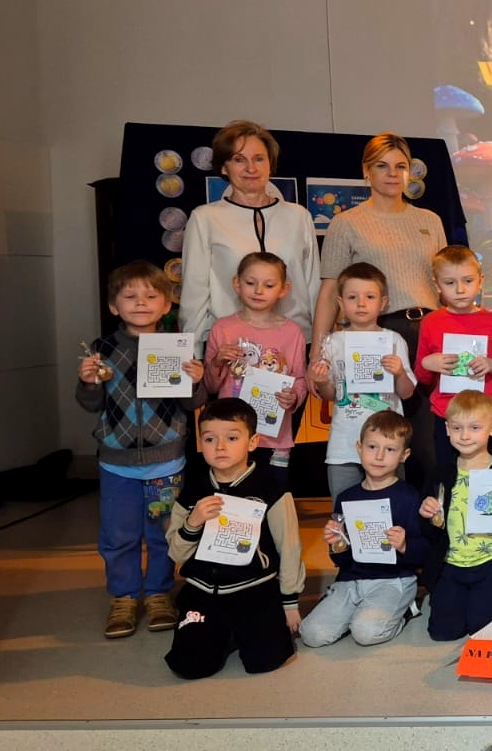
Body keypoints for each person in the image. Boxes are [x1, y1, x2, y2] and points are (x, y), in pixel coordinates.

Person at [77, 261, 206, 638]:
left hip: (166, 463)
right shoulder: (102, 349)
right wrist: (87, 382)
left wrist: (197, 381)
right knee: (118, 535)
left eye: (151, 296)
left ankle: (159, 593)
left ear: (166, 305)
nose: (140, 303)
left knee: (163, 533)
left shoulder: (177, 347)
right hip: (116, 465)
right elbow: (90, 404)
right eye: (129, 296)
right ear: (113, 306)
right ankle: (124, 596)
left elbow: (192, 404)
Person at [314, 133, 449, 490]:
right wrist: (317, 350)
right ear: (366, 171)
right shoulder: (347, 223)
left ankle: (424, 519)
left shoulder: (430, 220)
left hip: (430, 334)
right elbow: (329, 291)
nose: (392, 174)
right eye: (382, 166)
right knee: (383, 438)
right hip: (377, 337)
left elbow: (445, 283)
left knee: (427, 443)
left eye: (400, 166)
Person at [164, 398, 304, 678]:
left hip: (255, 590)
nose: (220, 447)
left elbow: (289, 546)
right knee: (188, 666)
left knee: (266, 661)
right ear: (200, 443)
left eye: (231, 438)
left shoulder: (272, 489)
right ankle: (220, 633)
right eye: (210, 439)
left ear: (252, 442)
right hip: (203, 592)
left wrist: (290, 602)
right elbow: (176, 554)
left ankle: (239, 632)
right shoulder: (193, 492)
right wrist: (193, 523)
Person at [181, 120, 319, 352]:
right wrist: (192, 354)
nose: (251, 168)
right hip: (230, 347)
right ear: (223, 167)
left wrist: (319, 348)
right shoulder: (205, 218)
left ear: (270, 164)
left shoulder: (299, 216)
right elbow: (194, 294)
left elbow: (314, 286)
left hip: (294, 345)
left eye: (259, 159)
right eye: (239, 160)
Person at [299, 411, 428, 648]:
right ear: (359, 448)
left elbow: (424, 551)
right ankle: (358, 609)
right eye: (372, 447)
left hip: (394, 579)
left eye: (390, 449)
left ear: (404, 455)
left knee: (366, 632)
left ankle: (405, 610)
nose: (379, 456)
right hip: (351, 580)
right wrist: (337, 544)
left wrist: (405, 545)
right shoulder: (346, 498)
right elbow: (340, 559)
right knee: (312, 633)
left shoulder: (410, 497)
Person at [420, 391, 492, 640]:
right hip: (451, 563)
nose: (465, 436)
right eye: (457, 428)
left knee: (483, 631)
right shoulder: (440, 473)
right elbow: (429, 528)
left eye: (475, 428)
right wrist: (425, 512)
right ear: (447, 429)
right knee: (443, 633)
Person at [308, 263, 417, 500]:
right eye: (352, 297)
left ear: (383, 302)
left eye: (369, 297)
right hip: (344, 444)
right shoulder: (333, 342)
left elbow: (407, 393)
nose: (361, 303)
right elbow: (332, 395)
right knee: (343, 509)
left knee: (392, 508)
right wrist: (322, 381)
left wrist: (399, 373)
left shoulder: (394, 340)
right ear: (340, 303)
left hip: (387, 445)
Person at [203, 252, 307, 487]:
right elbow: (210, 386)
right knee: (232, 498)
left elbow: (300, 379)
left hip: (275, 438)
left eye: (269, 285)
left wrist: (294, 396)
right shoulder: (223, 328)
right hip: (230, 438)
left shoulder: (292, 333)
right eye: (251, 283)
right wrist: (217, 362)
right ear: (236, 284)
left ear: (283, 289)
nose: (259, 291)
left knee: (273, 496)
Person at [414, 245, 492, 463]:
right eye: (450, 283)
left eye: (468, 280)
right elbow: (422, 377)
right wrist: (429, 363)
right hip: (447, 414)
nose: (460, 290)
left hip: (486, 414)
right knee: (448, 473)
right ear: (437, 285)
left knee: (491, 471)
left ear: (480, 281)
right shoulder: (430, 322)